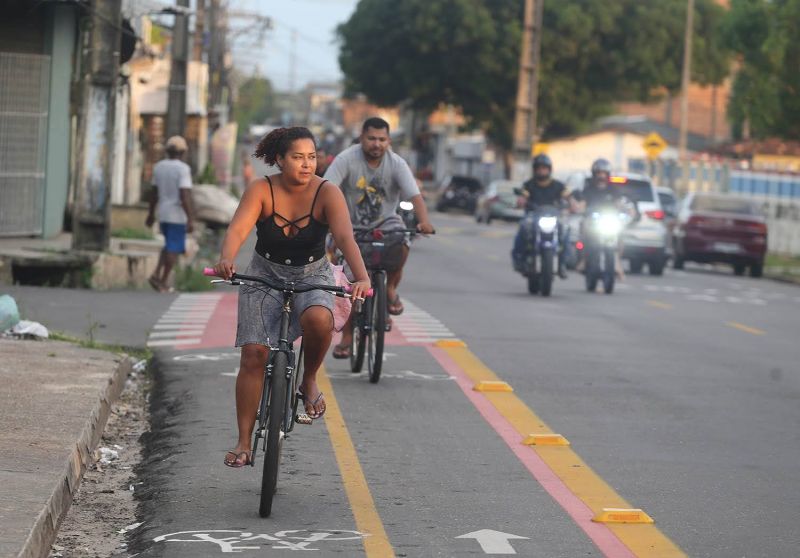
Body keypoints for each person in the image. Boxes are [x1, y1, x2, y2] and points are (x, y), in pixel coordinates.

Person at [213, 126, 371, 468]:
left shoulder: (328, 192)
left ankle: (309, 379)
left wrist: (361, 276)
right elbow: (238, 228)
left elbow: (344, 237)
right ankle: (243, 442)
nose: (306, 164)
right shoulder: (261, 189)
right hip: (263, 274)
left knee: (319, 319)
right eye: (297, 157)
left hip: (313, 273)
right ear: (280, 160)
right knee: (254, 353)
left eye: (312, 157)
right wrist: (227, 257)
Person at [323, 117, 435, 359]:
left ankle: (391, 288)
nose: (377, 144)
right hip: (349, 226)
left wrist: (423, 221)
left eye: (382, 139)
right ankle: (346, 336)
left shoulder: (397, 163)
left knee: (403, 240)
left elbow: (414, 196)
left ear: (389, 141)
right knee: (349, 283)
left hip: (386, 222)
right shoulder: (346, 159)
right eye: (371, 138)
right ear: (362, 138)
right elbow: (325, 188)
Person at [511, 154, 576, 278]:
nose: (542, 171)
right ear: (535, 170)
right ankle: (519, 259)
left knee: (566, 234)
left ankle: (562, 264)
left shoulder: (558, 185)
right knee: (522, 230)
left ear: (549, 169)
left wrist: (572, 204)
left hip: (554, 217)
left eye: (544, 168)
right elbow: (523, 196)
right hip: (534, 217)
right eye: (539, 168)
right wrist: (521, 201)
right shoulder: (529, 184)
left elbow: (568, 196)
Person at [146, 135, 196, 293]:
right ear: (182, 152)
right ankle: (162, 281)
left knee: (168, 245)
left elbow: (153, 193)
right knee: (173, 249)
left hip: (163, 213)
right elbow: (184, 195)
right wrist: (190, 218)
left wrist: (150, 214)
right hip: (177, 215)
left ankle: (156, 274)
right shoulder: (183, 169)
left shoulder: (159, 166)